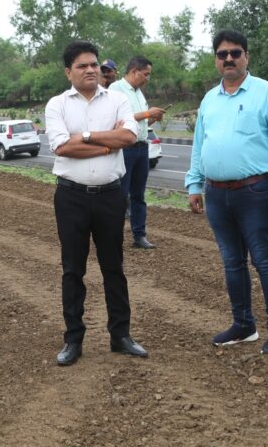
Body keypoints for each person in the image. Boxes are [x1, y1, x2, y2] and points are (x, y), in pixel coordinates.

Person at [185, 29, 268, 356]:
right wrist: (194, 183)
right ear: (216, 59)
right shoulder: (209, 99)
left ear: (246, 56)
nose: (228, 59)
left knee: (264, 260)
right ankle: (243, 324)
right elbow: (199, 144)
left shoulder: (267, 93)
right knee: (232, 262)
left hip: (255, 192)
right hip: (216, 194)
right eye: (222, 54)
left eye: (235, 53)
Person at [45, 40, 148, 366]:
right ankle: (73, 339)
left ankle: (121, 335)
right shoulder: (57, 105)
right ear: (68, 72)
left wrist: (87, 137)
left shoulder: (117, 99)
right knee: (73, 270)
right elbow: (61, 147)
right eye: (82, 66)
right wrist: (107, 143)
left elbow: (129, 138)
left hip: (110, 196)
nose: (90, 70)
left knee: (113, 268)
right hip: (71, 196)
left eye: (94, 65)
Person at [109, 56, 166, 249]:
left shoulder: (139, 93)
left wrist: (152, 118)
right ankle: (112, 236)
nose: (147, 78)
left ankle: (139, 236)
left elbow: (140, 123)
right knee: (120, 194)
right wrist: (148, 113)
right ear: (134, 71)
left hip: (142, 147)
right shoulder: (116, 89)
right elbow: (120, 118)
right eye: (146, 74)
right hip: (125, 149)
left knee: (138, 195)